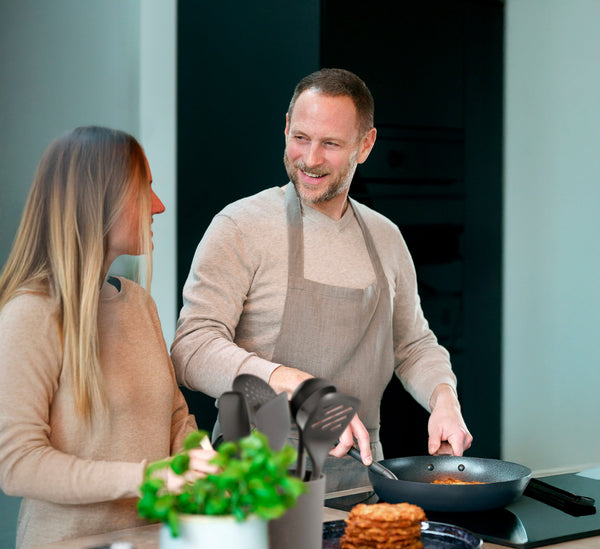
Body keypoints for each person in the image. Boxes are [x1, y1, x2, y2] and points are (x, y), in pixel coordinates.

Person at [171, 69, 472, 492]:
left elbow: (413, 345)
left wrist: (444, 400)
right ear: (286, 129)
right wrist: (297, 384)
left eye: (330, 144)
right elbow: (192, 349)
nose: (310, 159)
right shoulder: (241, 226)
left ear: (365, 145)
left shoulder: (385, 237)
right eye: (300, 137)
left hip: (361, 476)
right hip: (257, 472)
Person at [0, 126, 217, 549]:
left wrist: (198, 458)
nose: (159, 206)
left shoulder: (138, 303)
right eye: (145, 189)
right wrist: (150, 477)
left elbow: (174, 418)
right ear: (99, 200)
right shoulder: (30, 314)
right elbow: (17, 464)